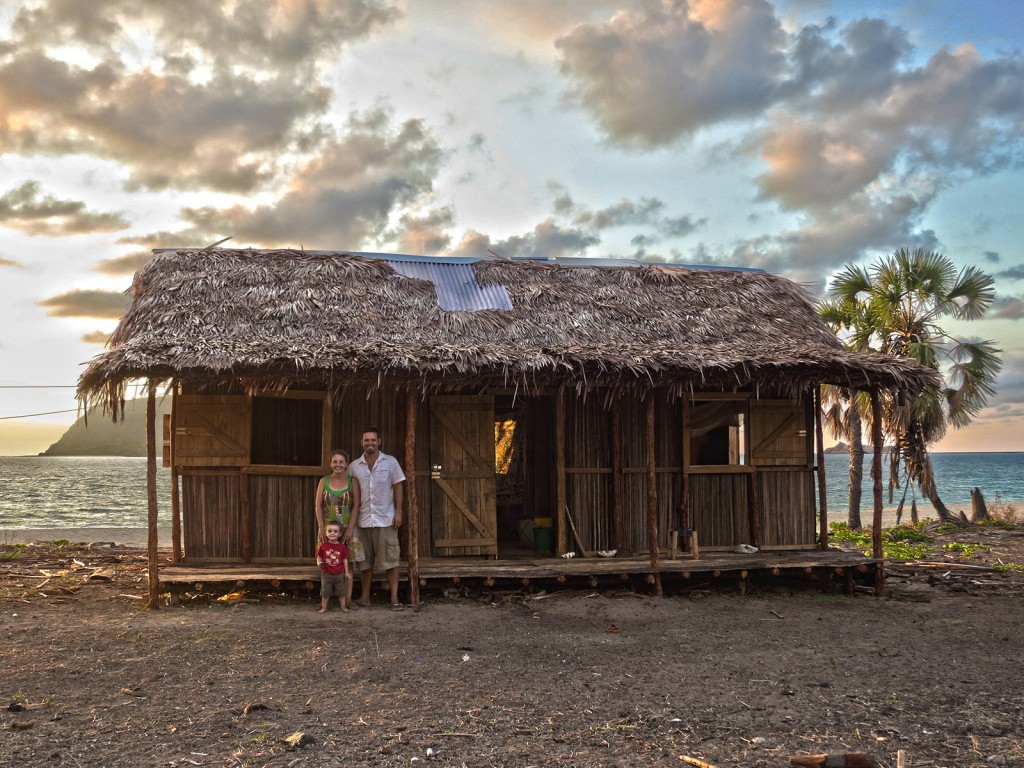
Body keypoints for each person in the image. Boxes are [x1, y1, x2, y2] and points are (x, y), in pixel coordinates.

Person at [349, 427, 406, 609]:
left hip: (385, 518)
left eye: (373, 440)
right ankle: (365, 597)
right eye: (366, 440)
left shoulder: (390, 462)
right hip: (363, 520)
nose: (370, 443)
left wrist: (399, 511)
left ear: (379, 441)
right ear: (362, 443)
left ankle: (394, 598)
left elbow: (398, 486)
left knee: (391, 559)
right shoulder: (354, 466)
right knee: (364, 562)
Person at [314, 449, 364, 608]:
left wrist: (350, 529)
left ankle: (347, 601)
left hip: (348, 526)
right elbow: (317, 505)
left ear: (346, 464)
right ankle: (326, 600)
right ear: (330, 464)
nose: (338, 465)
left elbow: (356, 505)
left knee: (348, 562)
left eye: (341, 462)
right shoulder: (324, 481)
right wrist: (321, 527)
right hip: (328, 528)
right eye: (335, 462)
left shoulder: (352, 481)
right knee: (327, 560)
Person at [315, 521, 350, 614]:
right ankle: (324, 607)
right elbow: (319, 556)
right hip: (326, 573)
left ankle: (343, 607)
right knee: (325, 592)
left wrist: (346, 572)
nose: (332, 533)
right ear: (326, 533)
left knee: (341, 592)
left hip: (339, 574)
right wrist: (319, 563)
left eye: (335, 531)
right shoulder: (323, 546)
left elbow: (345, 560)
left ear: (340, 533)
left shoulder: (342, 547)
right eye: (330, 531)